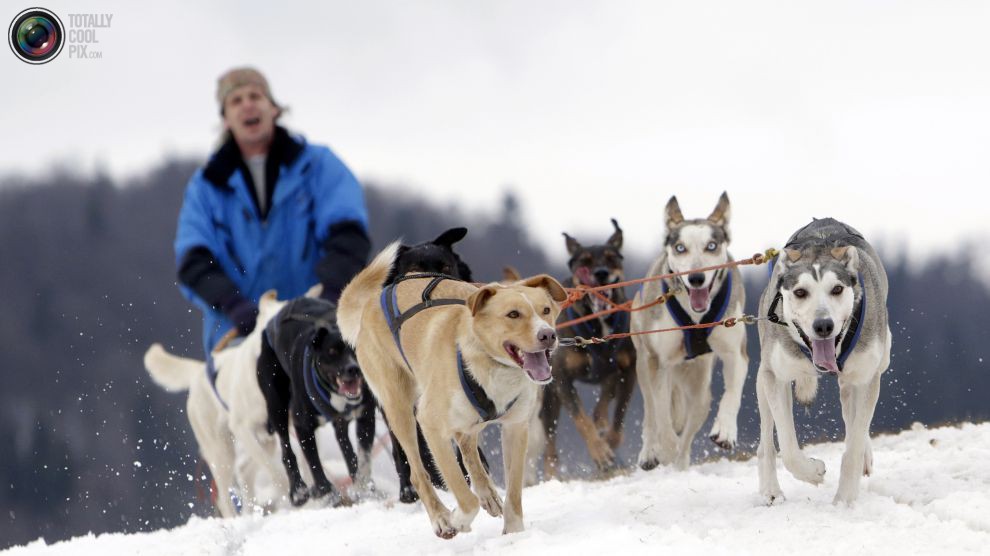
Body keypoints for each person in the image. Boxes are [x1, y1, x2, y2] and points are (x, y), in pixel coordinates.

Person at [174, 67, 371, 353]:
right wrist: (235, 306)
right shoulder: (205, 188)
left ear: (275, 108)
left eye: (255, 95)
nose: (247, 104)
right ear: (226, 120)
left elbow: (349, 238)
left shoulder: (320, 167)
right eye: (236, 100)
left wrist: (328, 297)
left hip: (319, 333)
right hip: (237, 339)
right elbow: (194, 262)